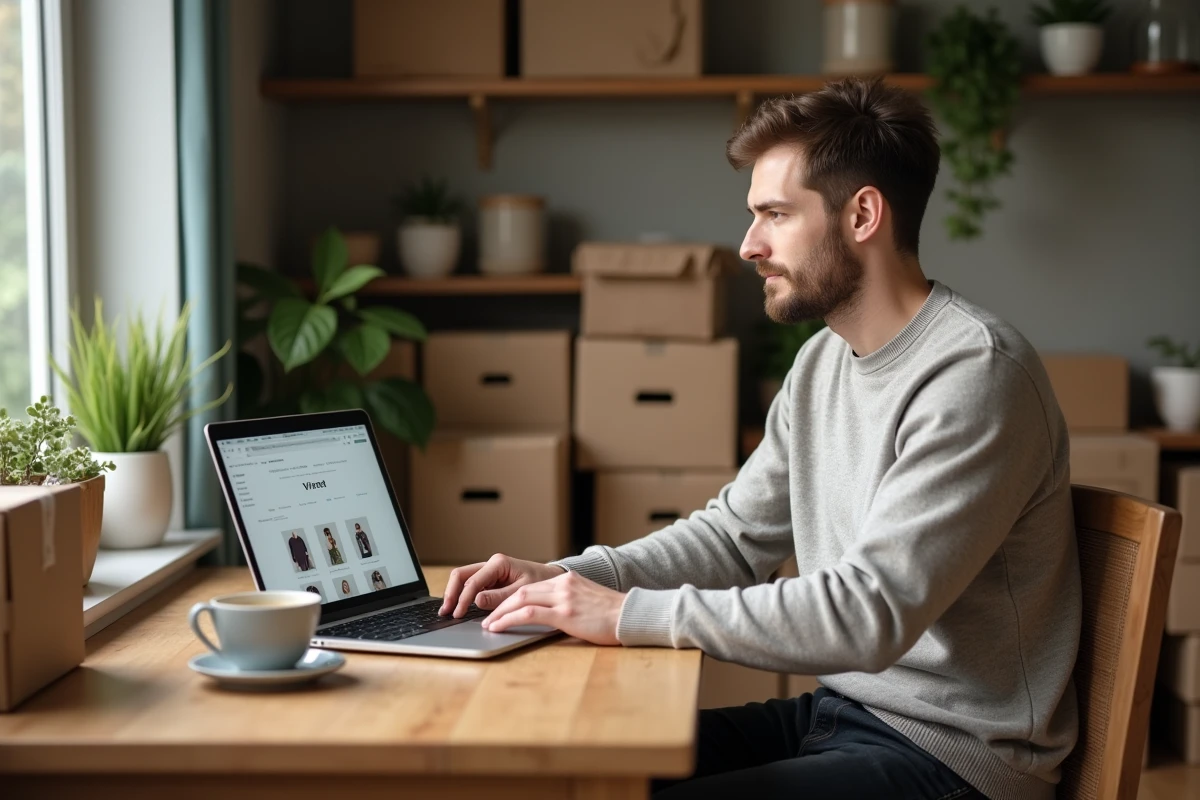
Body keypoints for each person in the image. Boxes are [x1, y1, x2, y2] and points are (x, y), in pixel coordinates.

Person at [437, 77, 1081, 800]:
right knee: (562, 770)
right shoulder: (823, 362)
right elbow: (735, 539)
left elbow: (868, 614)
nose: (748, 246)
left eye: (775, 214)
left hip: (956, 756)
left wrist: (625, 618)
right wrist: (575, 579)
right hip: (850, 713)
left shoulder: (973, 374)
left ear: (863, 213)